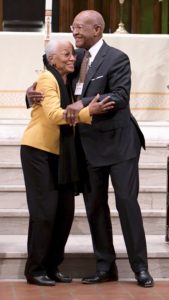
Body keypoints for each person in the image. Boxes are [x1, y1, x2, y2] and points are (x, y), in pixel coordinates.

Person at [26, 10, 154, 288]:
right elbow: (50, 66)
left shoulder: (117, 58)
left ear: (97, 29)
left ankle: (140, 268)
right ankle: (105, 267)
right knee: (95, 208)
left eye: (79, 28)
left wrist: (81, 103)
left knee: (126, 204)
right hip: (87, 146)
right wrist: (30, 92)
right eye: (73, 28)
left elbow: (119, 96)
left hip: (119, 145)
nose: (75, 32)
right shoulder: (77, 57)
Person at [21, 37, 113, 286]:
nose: (72, 58)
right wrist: (87, 112)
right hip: (38, 150)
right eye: (66, 55)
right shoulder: (47, 78)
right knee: (44, 212)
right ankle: (35, 269)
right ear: (51, 59)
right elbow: (52, 115)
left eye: (73, 54)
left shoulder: (68, 79)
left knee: (64, 212)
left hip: (62, 153)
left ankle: (52, 266)